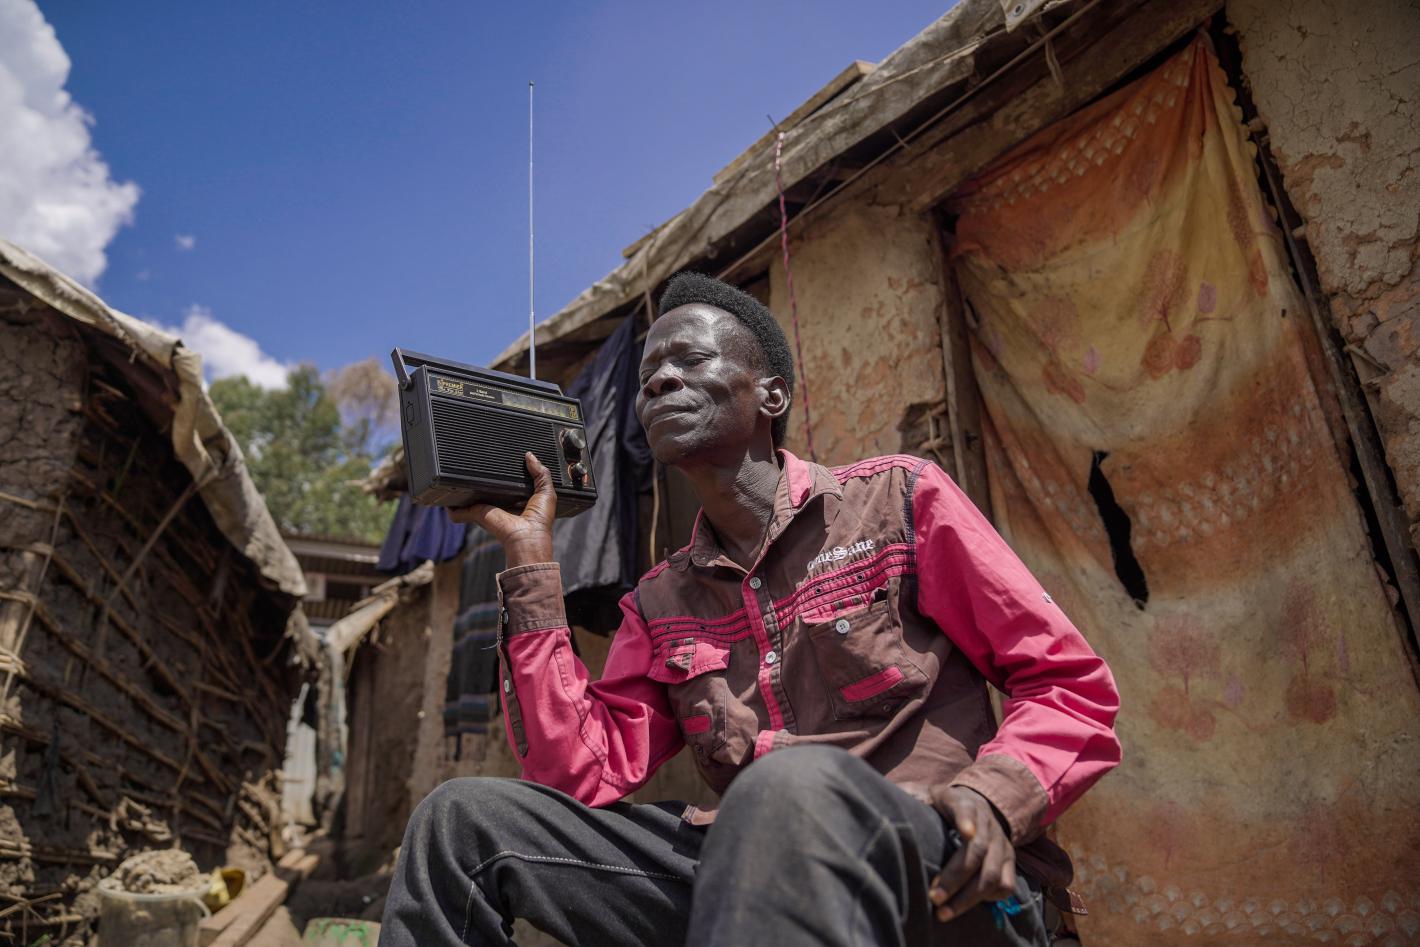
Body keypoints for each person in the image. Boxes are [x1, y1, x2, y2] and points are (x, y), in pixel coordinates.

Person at [379, 272, 1121, 947]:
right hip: (747, 871)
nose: (658, 379)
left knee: (787, 786)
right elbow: (581, 775)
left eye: (690, 360)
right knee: (461, 823)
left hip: (935, 870)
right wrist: (530, 558)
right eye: (647, 376)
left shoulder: (899, 500)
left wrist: (992, 796)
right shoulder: (660, 600)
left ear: (771, 396)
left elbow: (1069, 685)